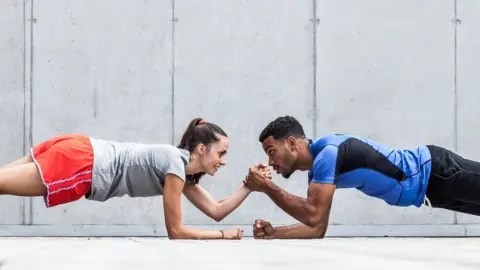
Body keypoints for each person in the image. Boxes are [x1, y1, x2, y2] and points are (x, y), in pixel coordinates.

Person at [0, 118, 271, 240]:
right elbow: (175, 232)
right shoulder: (175, 165)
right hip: (82, 164)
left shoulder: (179, 172)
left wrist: (248, 186)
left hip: (80, 149)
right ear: (201, 149)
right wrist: (222, 236)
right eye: (221, 153)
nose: (223, 161)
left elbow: (216, 210)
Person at [245, 115, 480, 239]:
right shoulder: (318, 172)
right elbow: (316, 229)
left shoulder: (328, 154)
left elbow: (313, 215)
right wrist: (275, 232)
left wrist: (267, 188)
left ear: (292, 143)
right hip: (432, 192)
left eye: (271, 152)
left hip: (437, 171)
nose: (270, 163)